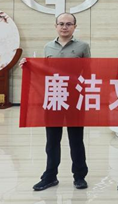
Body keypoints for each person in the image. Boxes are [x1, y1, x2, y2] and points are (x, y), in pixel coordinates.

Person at [33, 12, 91, 191]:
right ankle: (50, 176)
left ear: (74, 26)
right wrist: (28, 66)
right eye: (61, 24)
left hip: (74, 99)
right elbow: (44, 72)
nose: (64, 27)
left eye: (68, 24)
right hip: (54, 98)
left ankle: (79, 176)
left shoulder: (83, 47)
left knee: (76, 140)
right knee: (52, 140)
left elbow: (89, 73)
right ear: (56, 26)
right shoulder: (48, 47)